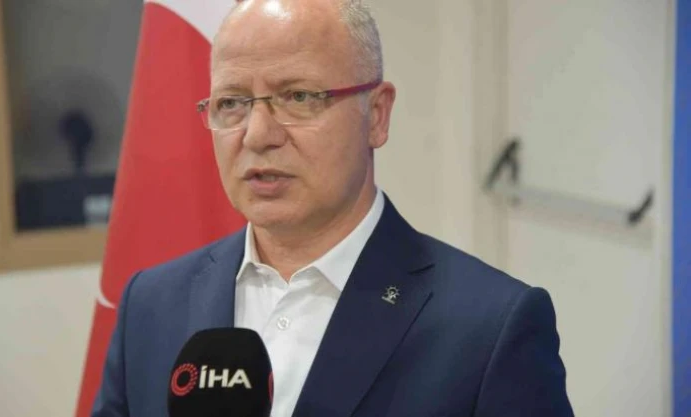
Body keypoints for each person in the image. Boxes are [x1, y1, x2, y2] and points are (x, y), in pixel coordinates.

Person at [92, 0, 574, 416]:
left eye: (298, 97)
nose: (257, 135)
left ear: (377, 116)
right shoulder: (149, 305)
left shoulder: (490, 328)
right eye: (232, 103)